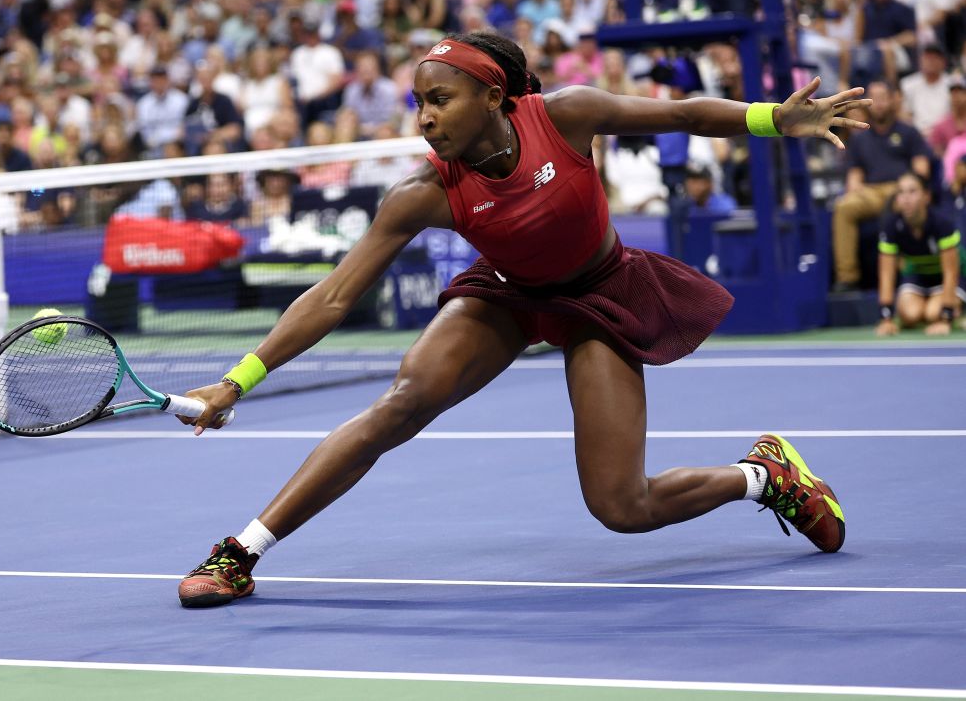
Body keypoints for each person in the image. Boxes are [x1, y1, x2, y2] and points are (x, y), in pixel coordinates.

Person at [173, 31, 865, 608]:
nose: (424, 118)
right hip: (506, 295)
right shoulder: (424, 192)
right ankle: (240, 554)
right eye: (418, 103)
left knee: (622, 507)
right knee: (400, 403)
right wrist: (237, 383)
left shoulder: (565, 116)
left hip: (599, 293)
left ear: (494, 97)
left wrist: (776, 118)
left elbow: (683, 115)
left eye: (439, 100)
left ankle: (765, 475)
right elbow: (334, 295)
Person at [832, 80, 932, 291]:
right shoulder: (860, 139)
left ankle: (908, 274)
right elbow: (854, 177)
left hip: (900, 189)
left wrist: (907, 188)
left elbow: (921, 171)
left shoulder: (908, 132)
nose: (878, 104)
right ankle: (847, 277)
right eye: (873, 99)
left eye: (882, 98)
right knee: (843, 207)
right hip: (872, 193)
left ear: (892, 100)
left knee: (907, 201)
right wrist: (856, 190)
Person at [876, 171, 964, 337]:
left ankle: (956, 309)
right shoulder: (891, 226)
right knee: (910, 314)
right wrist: (886, 319)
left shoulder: (942, 224)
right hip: (918, 276)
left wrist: (945, 318)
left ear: (926, 196)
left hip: (947, 277)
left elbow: (951, 272)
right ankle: (938, 307)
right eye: (901, 192)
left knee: (933, 314)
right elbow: (886, 274)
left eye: (912, 191)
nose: (906, 198)